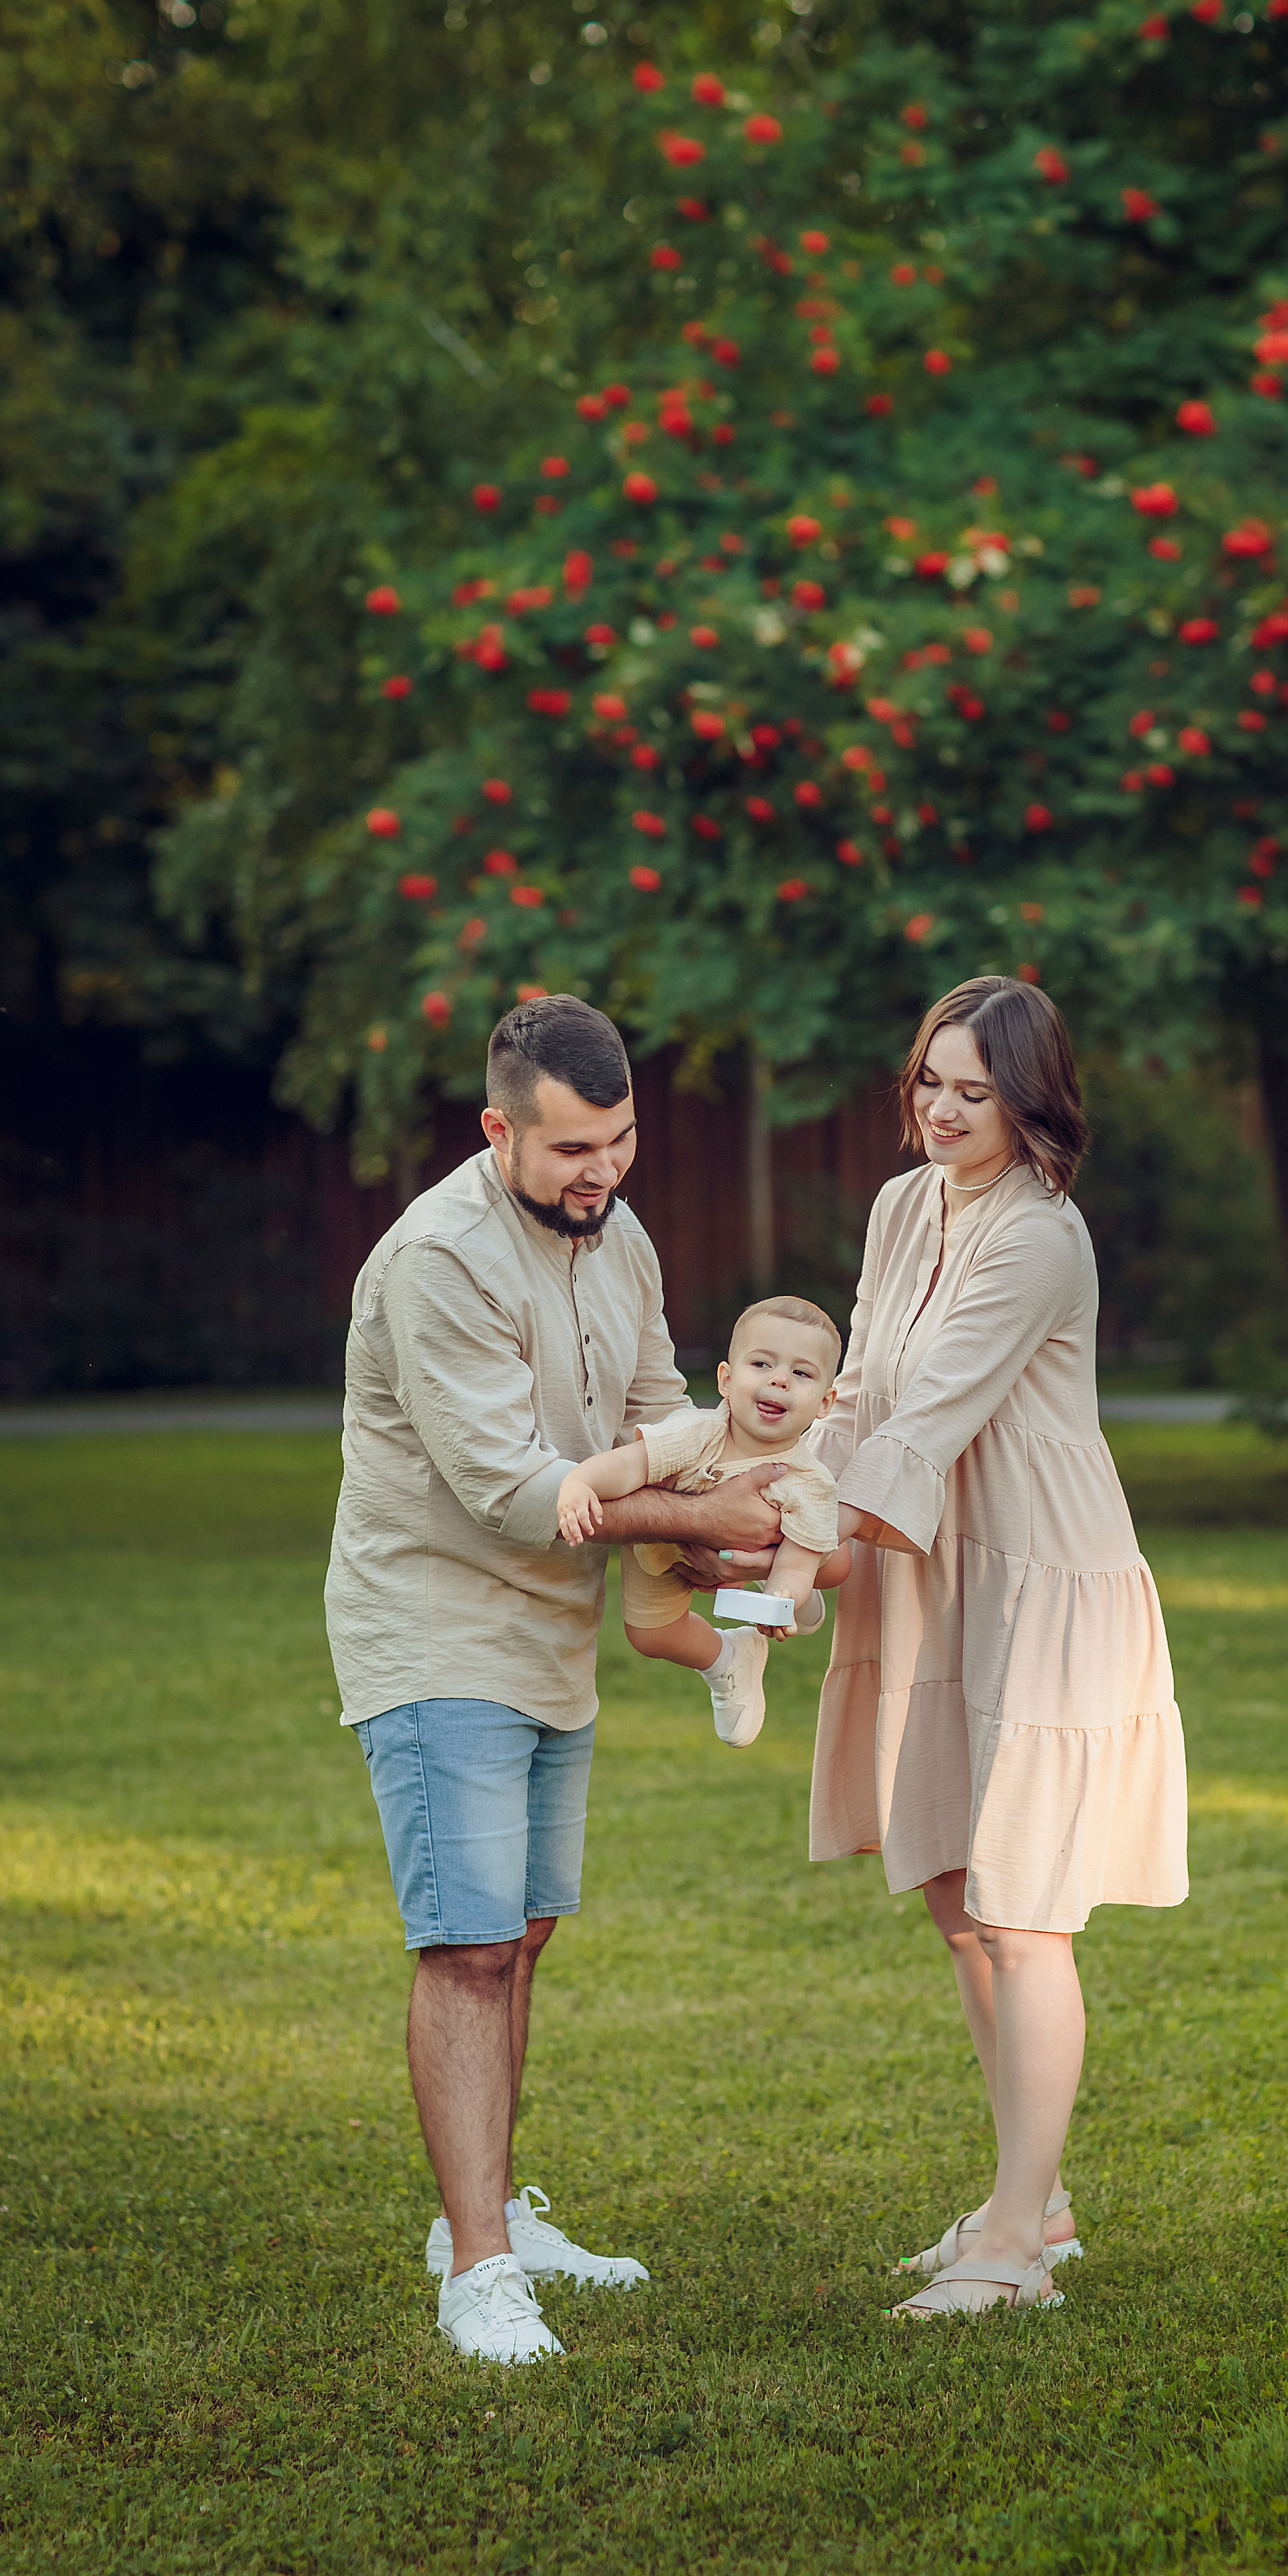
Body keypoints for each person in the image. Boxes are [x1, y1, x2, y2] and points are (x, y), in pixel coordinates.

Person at [324, 994, 845, 2365]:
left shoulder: (618, 1236)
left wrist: (748, 1529)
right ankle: (478, 2272)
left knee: (526, 1931)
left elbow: (654, 1413)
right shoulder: (437, 1260)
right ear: (497, 1130)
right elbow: (511, 1490)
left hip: (552, 1636)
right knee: (468, 1944)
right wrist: (703, 1518)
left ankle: (488, 2213)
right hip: (437, 1627)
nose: (599, 1173)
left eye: (618, 1143)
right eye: (568, 1150)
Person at [807, 977, 1188, 2318]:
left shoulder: (1039, 1237)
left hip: (1038, 1579)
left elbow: (933, 1416)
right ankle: (1041, 2197)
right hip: (933, 1572)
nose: (946, 1110)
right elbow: (860, 1393)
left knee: (1024, 1915)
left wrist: (798, 1545)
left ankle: (1017, 2245)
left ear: (1031, 1103)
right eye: (931, 1081)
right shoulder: (901, 1208)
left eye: (977, 1090)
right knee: (957, 1900)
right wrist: (783, 1500)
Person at [555, 1295, 845, 1748]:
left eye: (802, 1373)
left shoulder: (809, 1482)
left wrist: (783, 1598)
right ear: (726, 1380)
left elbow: (797, 1561)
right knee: (649, 1636)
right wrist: (580, 1482)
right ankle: (729, 1656)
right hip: (662, 1542)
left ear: (825, 1402)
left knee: (812, 1562)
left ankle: (784, 1596)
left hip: (756, 1547)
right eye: (762, 1364)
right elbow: (630, 1465)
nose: (780, 1380)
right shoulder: (697, 1433)